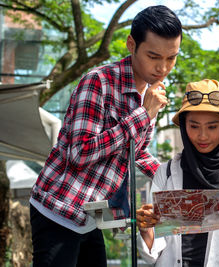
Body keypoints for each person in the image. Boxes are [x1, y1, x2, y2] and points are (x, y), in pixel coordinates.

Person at [29, 5, 182, 267]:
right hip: (58, 209)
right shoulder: (98, 81)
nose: (163, 68)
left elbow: (137, 151)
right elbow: (80, 152)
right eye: (154, 56)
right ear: (131, 45)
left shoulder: (149, 95)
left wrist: (174, 179)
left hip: (91, 217)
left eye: (172, 58)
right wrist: (143, 114)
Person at [136, 79, 219, 267]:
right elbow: (153, 254)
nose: (203, 136)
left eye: (212, 127)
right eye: (194, 126)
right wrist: (146, 229)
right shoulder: (166, 173)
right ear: (183, 126)